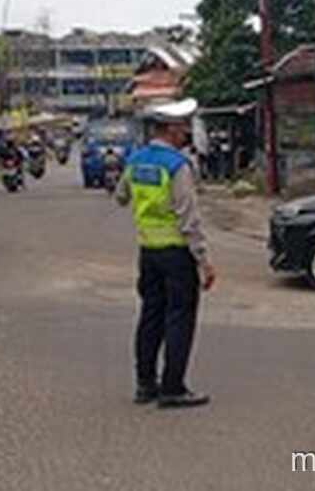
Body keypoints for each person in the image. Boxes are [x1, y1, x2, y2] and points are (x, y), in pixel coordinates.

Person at [115, 98, 217, 409]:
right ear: (171, 130)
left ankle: (145, 385)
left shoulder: (136, 160)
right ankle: (173, 387)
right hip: (177, 254)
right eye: (182, 127)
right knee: (179, 319)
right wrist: (204, 260)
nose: (186, 132)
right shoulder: (177, 165)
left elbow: (121, 196)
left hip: (148, 253)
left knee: (150, 317)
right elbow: (188, 218)